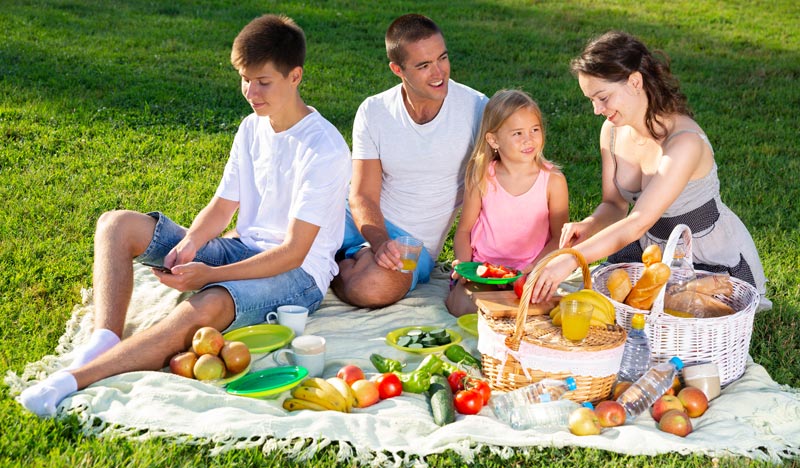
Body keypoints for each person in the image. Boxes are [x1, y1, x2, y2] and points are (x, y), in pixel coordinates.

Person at [19, 14, 351, 417]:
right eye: (244, 78)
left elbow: (294, 253)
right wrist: (192, 242)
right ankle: (105, 338)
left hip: (298, 277)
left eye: (263, 82)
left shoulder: (325, 149)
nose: (250, 91)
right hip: (242, 249)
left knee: (206, 305)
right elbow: (223, 206)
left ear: (295, 76)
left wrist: (209, 275)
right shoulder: (252, 126)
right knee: (116, 224)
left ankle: (73, 380)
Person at [527, 31, 769, 309]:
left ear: (635, 81)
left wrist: (571, 257)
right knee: (596, 309)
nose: (596, 109)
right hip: (650, 251)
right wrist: (590, 225)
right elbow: (613, 204)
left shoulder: (684, 143)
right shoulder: (612, 132)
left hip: (703, 255)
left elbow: (638, 220)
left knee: (670, 320)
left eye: (602, 97)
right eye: (591, 99)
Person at [331, 14, 488, 308]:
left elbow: (504, 183)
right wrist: (378, 243)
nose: (439, 72)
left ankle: (332, 264)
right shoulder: (374, 111)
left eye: (442, 58)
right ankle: (349, 257)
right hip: (357, 220)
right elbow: (363, 194)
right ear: (397, 69)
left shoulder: (477, 109)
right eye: (424, 65)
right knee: (274, 239)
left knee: (373, 288)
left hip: (413, 241)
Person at [445, 90, 569, 317]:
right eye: (517, 133)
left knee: (538, 313)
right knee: (464, 307)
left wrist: (533, 270)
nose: (528, 139)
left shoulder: (553, 181)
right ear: (493, 140)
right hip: (484, 270)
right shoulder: (482, 176)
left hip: (530, 271)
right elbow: (463, 231)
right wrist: (463, 266)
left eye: (535, 130)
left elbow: (559, 239)